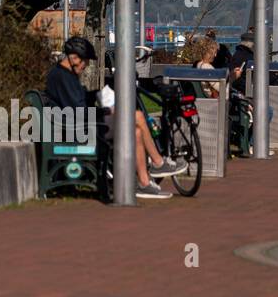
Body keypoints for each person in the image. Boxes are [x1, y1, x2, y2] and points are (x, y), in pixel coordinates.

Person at [46, 35, 186, 199]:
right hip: (79, 131)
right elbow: (78, 110)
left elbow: (79, 101)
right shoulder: (61, 77)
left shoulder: (65, 75)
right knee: (138, 116)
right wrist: (105, 112)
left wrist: (99, 94)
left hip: (82, 126)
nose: (86, 66)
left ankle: (144, 183)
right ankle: (158, 163)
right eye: (85, 62)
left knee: (137, 133)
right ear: (74, 58)